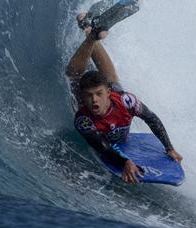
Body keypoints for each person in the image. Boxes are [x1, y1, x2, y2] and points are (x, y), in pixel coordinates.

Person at [65, 16, 183, 183]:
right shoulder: (83, 120)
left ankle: (90, 30)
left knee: (112, 79)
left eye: (99, 94)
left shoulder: (127, 101)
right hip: (103, 134)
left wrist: (169, 147)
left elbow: (151, 118)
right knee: (73, 76)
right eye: (90, 96)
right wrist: (125, 162)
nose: (94, 101)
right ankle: (91, 35)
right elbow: (102, 147)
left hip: (115, 100)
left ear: (108, 93)